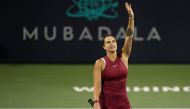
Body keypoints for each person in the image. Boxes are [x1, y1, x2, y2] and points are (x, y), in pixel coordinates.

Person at [93, 2, 134, 109]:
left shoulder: (124, 57)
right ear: (104, 47)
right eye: (108, 42)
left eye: (113, 41)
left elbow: (129, 36)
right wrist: (96, 102)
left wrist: (131, 18)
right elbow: (97, 86)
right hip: (107, 105)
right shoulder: (100, 63)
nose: (111, 44)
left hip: (124, 104)